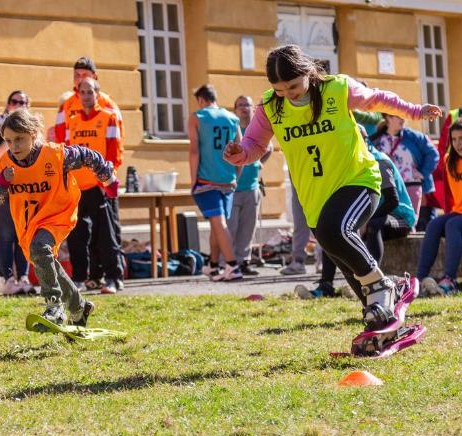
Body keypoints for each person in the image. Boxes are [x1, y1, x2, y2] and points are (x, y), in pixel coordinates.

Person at [224, 44, 441, 355]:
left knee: (333, 231)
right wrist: (241, 155)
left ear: (309, 74)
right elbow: (255, 144)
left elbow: (378, 98)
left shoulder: (336, 88)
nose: (289, 95)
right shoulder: (271, 106)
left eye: (294, 86)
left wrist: (415, 111)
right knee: (341, 257)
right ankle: (381, 323)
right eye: (280, 89)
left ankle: (385, 287)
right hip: (316, 196)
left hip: (358, 180)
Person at [0, 109, 118, 326]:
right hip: (30, 223)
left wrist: (108, 178)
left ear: (33, 134)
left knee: (40, 249)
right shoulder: (5, 166)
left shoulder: (56, 155)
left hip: (59, 214)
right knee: (45, 262)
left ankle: (54, 307)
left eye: (20, 139)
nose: (14, 146)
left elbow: (89, 157)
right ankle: (79, 307)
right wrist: (1, 182)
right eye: (9, 141)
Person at [296, 128, 415, 299]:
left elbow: (392, 201)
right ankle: (326, 285)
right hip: (370, 212)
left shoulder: (379, 160)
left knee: (374, 224)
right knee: (330, 229)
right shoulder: (349, 165)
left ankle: (374, 282)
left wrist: (368, 220)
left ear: (363, 141)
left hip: (399, 217)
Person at [61, 77, 124, 294]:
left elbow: (115, 155)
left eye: (90, 91)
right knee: (77, 236)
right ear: (77, 95)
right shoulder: (72, 120)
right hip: (77, 187)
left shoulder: (109, 117)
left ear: (98, 93)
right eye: (83, 92)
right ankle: (79, 278)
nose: (86, 95)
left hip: (99, 186)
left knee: (105, 236)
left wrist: (104, 181)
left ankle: (113, 278)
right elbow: (68, 153)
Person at [189, 85, 242, 281]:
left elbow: (194, 150)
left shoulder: (198, 117)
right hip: (227, 179)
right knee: (217, 224)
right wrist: (236, 175)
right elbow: (240, 151)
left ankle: (232, 265)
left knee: (218, 223)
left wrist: (193, 180)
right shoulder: (232, 118)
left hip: (206, 179)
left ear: (201, 100)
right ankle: (213, 265)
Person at [0, 90, 32, 295]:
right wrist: (9, 122)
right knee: (6, 235)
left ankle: (23, 278)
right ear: (8, 104)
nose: (19, 104)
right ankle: (7, 279)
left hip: (23, 188)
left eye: (23, 102)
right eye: (14, 101)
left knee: (23, 234)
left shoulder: (30, 128)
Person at [416, 121, 462, 296]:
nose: (458, 143)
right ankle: (419, 280)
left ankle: (449, 280)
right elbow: (450, 195)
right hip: (458, 212)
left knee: (452, 225)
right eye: (455, 139)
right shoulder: (449, 160)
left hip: (459, 219)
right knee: (434, 224)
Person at [228, 95, 272, 276]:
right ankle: (229, 263)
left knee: (248, 229)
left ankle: (244, 261)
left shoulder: (258, 129)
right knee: (230, 228)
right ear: (235, 110)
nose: (244, 108)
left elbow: (269, 148)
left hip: (252, 186)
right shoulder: (232, 128)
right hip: (233, 188)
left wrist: (261, 162)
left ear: (253, 108)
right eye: (240, 105)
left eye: (247, 104)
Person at [370, 113, 438, 223]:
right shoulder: (376, 140)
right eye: (398, 115)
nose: (402, 119)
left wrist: (422, 173)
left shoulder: (414, 137)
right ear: (388, 117)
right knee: (389, 223)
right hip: (389, 189)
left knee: (411, 222)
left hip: (412, 185)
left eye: (403, 115)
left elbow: (433, 154)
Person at [53, 57, 124, 145]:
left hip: (101, 157)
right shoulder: (66, 105)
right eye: (77, 75)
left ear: (94, 76)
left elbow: (117, 140)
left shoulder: (108, 104)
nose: (80, 79)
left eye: (84, 75)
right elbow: (60, 138)